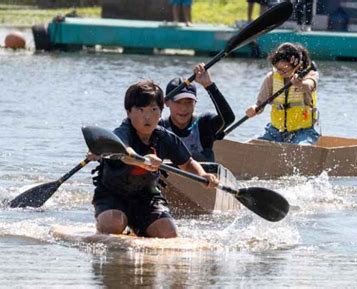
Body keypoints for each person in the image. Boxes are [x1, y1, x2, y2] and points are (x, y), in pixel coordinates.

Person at [89, 80, 219, 238]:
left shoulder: (165, 137)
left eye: (153, 109)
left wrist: (202, 175)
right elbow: (126, 155)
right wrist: (144, 160)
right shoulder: (122, 132)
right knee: (113, 224)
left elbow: (188, 163)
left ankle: (137, 227)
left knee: (169, 233)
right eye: (141, 109)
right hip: (112, 195)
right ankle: (111, 225)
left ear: (161, 111)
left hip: (147, 196)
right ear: (129, 112)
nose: (148, 116)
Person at [244, 42, 320, 144]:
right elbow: (260, 104)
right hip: (275, 131)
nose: (281, 72)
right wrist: (254, 108)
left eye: (285, 69)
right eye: (278, 69)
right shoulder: (271, 78)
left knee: (300, 150)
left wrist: (299, 84)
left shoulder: (310, 75)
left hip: (303, 132)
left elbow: (308, 86)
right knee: (251, 145)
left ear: (297, 65)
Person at [160, 63, 235, 162]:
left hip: (204, 175)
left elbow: (228, 119)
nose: (183, 108)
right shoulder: (159, 128)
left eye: (189, 102)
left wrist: (209, 85)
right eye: (178, 102)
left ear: (195, 103)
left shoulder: (204, 124)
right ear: (166, 103)